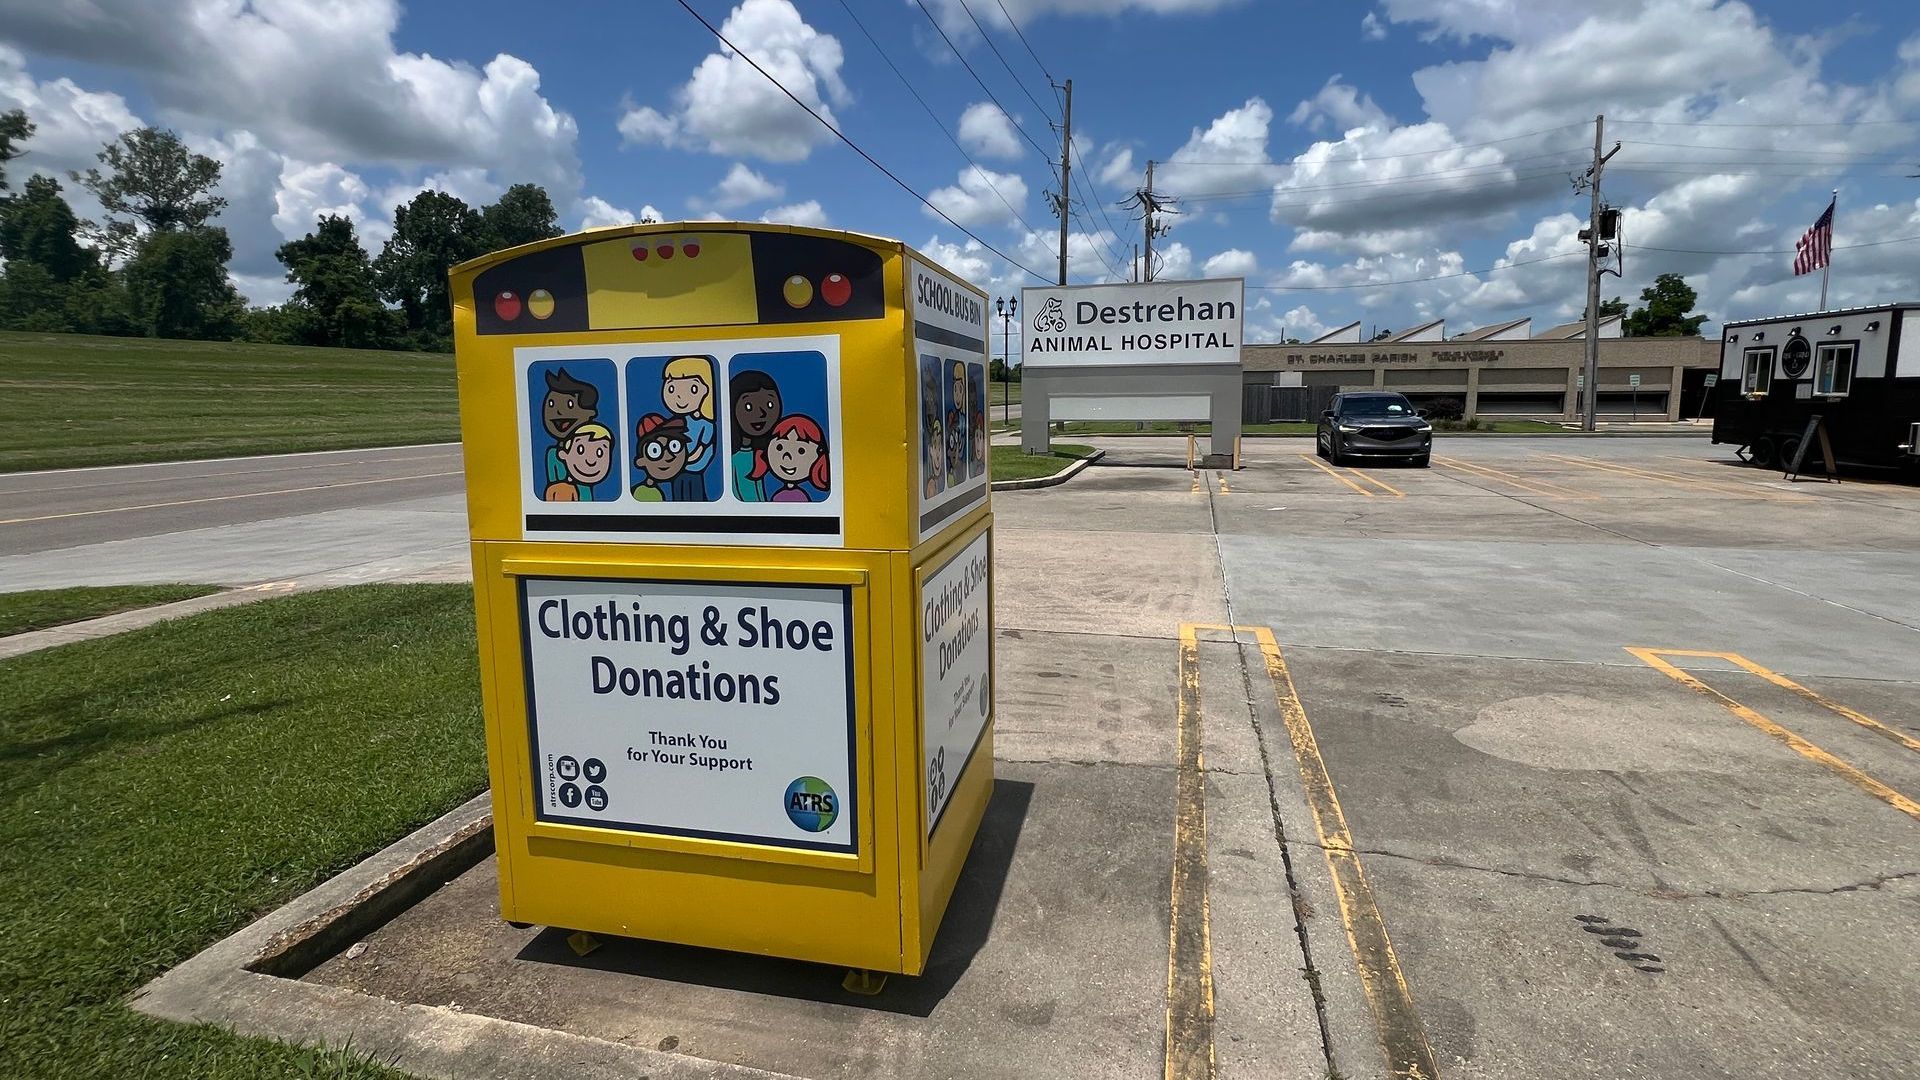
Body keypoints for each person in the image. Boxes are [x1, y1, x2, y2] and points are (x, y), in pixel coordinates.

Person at [660, 356, 715, 501]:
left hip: (694, 471)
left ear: (705, 390)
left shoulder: (706, 424)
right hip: (677, 471)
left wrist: (683, 461)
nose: (679, 396)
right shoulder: (673, 424)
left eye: (693, 388)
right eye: (671, 388)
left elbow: (703, 450)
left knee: (696, 499)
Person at [540, 368, 599, 488]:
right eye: (551, 404)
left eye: (570, 405)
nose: (558, 411)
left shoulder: (593, 449)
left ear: (590, 413)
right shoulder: (553, 454)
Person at [751, 415, 830, 503]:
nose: (787, 457)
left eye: (801, 450)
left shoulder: (804, 497)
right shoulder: (770, 493)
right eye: (779, 447)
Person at [729, 369, 781, 502]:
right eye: (748, 407)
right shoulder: (733, 457)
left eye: (770, 404)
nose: (761, 413)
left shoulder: (768, 452)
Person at [547, 422, 614, 501]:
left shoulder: (586, 489)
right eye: (580, 450)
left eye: (600, 453)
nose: (591, 461)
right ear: (564, 454)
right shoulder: (561, 488)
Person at [630, 413, 688, 502]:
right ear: (641, 461)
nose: (668, 456)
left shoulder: (686, 482)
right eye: (655, 451)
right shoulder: (643, 492)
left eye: (674, 446)